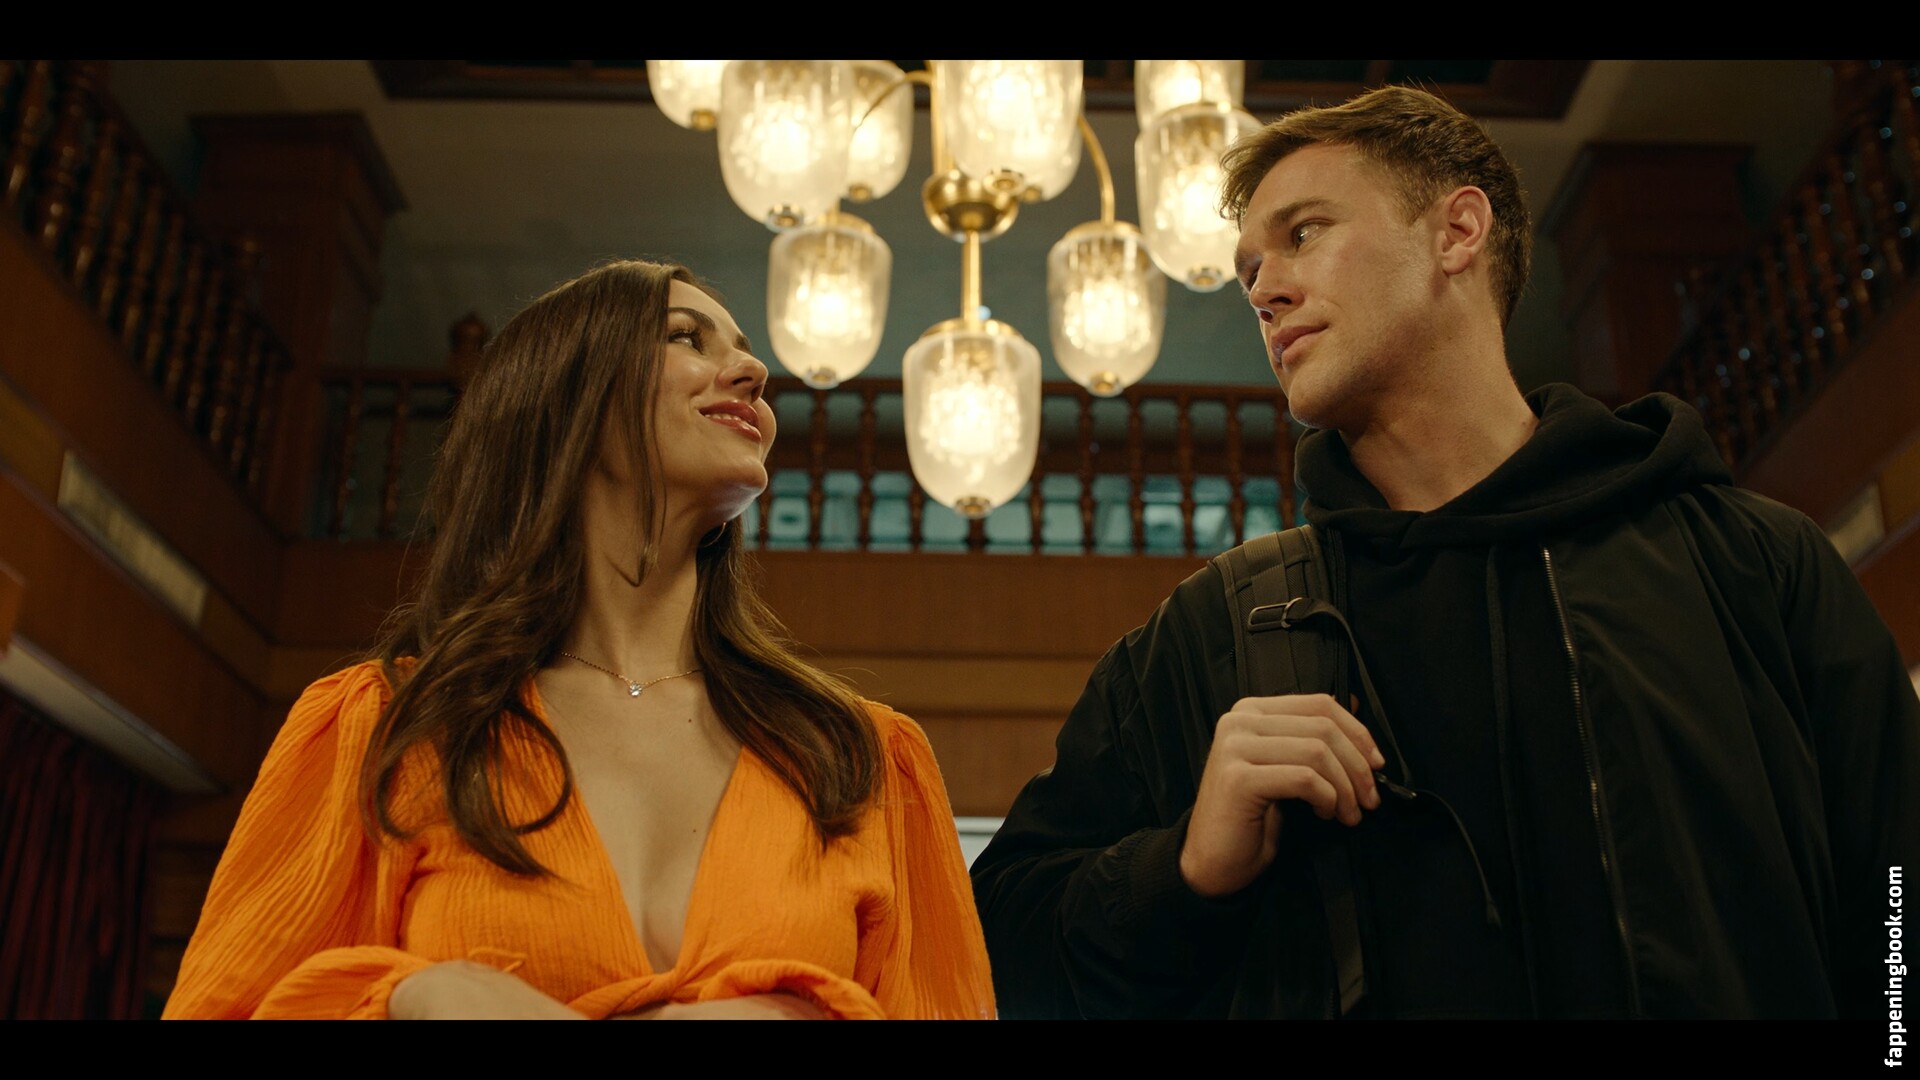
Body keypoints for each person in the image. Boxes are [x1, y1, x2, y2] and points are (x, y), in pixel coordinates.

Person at [970, 86, 1919, 1019]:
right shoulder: (1213, 633)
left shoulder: (1751, 562)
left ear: (1457, 233)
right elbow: (996, 943)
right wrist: (1181, 870)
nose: (1262, 288)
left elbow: (1897, 905)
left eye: (1304, 232)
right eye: (1250, 265)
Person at [165, 260, 995, 1020]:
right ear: (565, 399)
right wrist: (419, 997)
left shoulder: (861, 755)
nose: (753, 372)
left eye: (744, 351)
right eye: (686, 337)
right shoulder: (386, 725)